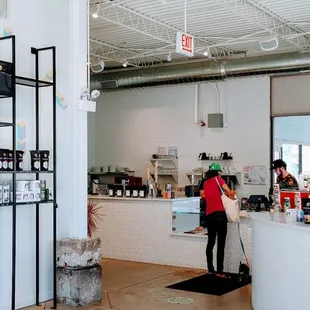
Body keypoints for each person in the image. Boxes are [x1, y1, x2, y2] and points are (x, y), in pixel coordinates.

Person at [203, 163, 235, 277]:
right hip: (220, 215)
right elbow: (229, 191)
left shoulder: (205, 183)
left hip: (209, 216)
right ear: (218, 172)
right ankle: (220, 272)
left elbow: (206, 196)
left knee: (210, 243)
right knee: (221, 244)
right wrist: (230, 195)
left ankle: (210, 269)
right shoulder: (219, 179)